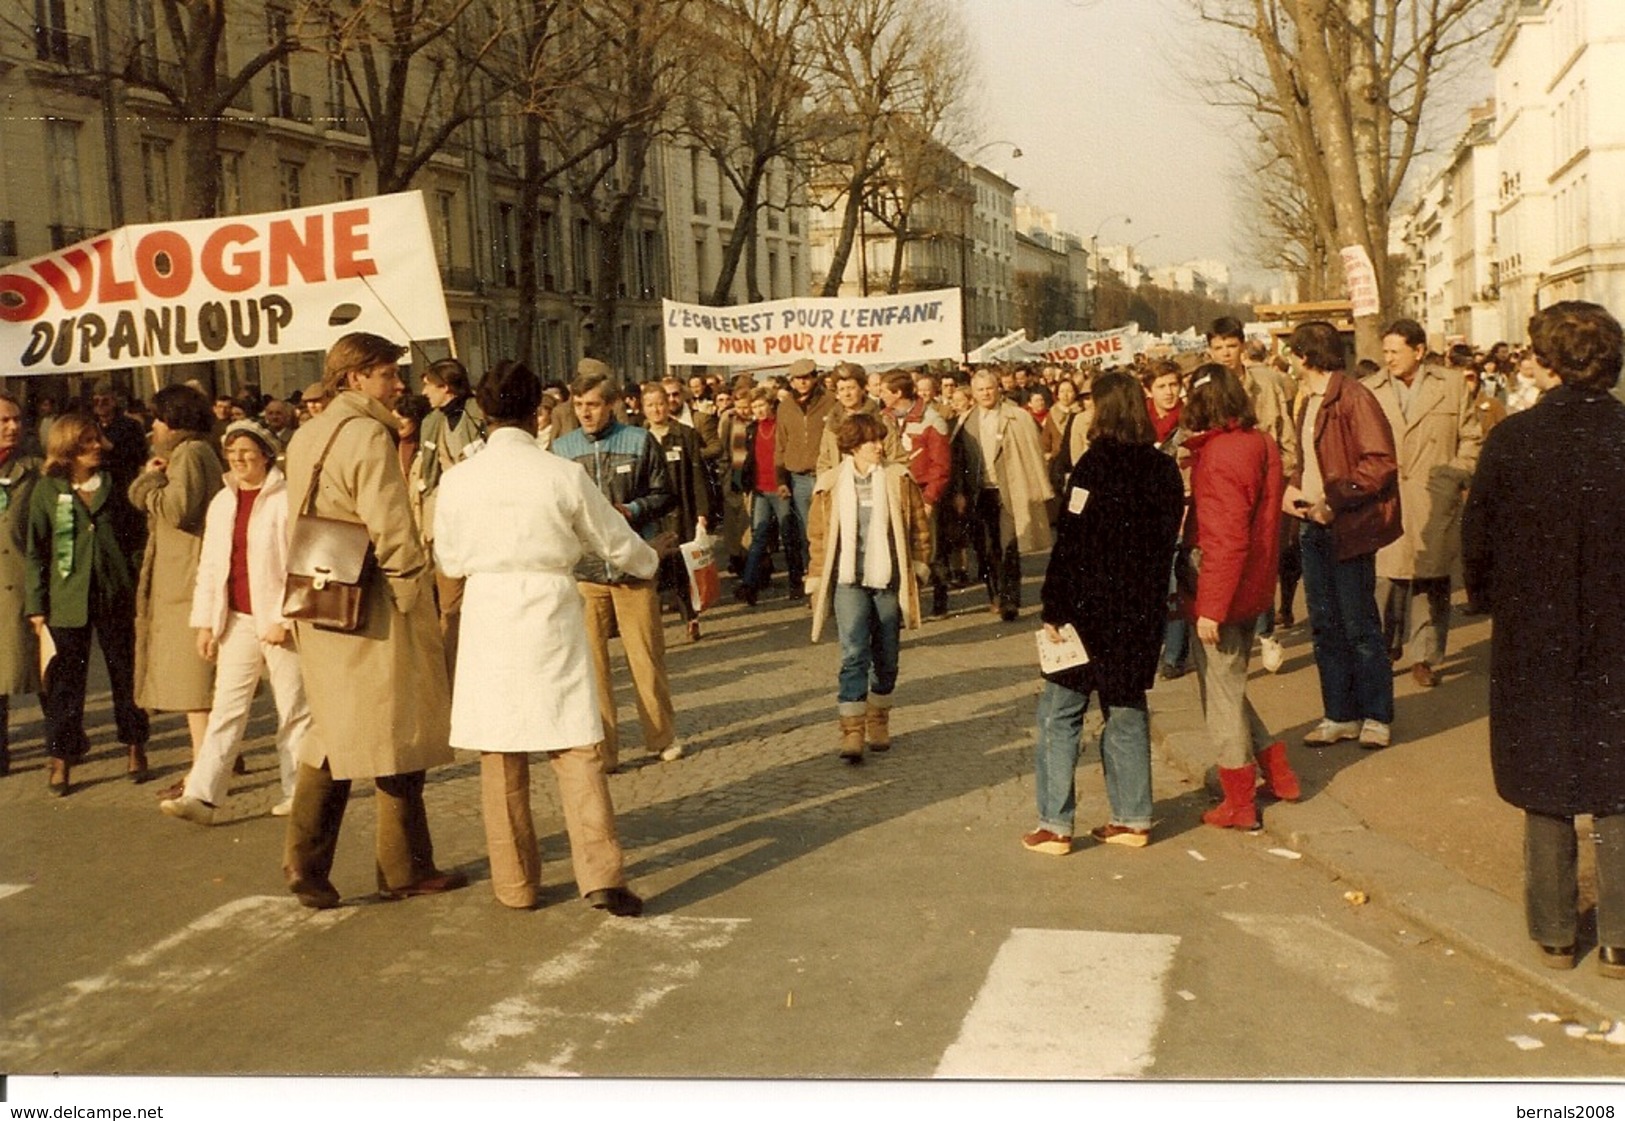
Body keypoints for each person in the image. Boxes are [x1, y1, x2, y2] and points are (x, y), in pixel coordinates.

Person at [435, 360, 654, 916]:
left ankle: (515, 885)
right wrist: (650, 562)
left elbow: (450, 558)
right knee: (576, 745)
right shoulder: (560, 474)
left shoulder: (459, 478)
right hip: (551, 608)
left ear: (483, 412)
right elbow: (613, 539)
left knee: (501, 754)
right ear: (539, 412)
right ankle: (601, 874)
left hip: (489, 611)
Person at [1463, 301, 1625, 979]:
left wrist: (1494, 601)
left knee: (1546, 775)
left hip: (1537, 633)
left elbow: (1477, 538)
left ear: (1549, 361)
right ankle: (1620, 939)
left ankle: (1555, 931)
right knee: (1619, 779)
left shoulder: (1514, 439)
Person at [281, 331, 464, 909]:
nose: (398, 384)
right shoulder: (367, 436)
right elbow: (391, 527)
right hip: (375, 601)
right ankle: (404, 866)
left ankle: (304, 862)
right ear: (355, 378)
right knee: (397, 729)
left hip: (321, 592)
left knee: (332, 730)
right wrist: (418, 599)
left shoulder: (307, 433)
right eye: (387, 373)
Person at [1024, 373, 1184, 853]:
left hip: (1087, 612)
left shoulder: (1094, 466)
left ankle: (1055, 825)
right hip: (1137, 612)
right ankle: (1133, 818)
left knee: (1060, 715)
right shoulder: (1164, 470)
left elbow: (1072, 544)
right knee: (1127, 710)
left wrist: (1054, 606)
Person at [159, 420, 309, 824]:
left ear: (265, 453)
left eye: (247, 451)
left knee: (293, 707)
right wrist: (206, 624)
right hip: (237, 619)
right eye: (231, 453)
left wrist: (282, 617)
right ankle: (202, 797)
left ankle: (299, 793)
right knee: (226, 707)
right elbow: (210, 566)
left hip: (279, 620)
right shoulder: (222, 503)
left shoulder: (285, 498)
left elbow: (301, 561)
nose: (240, 460)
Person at [1180, 365, 1301, 829]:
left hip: (1220, 584)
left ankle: (1239, 800)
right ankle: (1277, 770)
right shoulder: (1260, 443)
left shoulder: (1222, 454)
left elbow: (1225, 538)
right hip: (1252, 582)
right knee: (1229, 686)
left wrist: (1211, 606)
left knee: (1221, 696)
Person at [550, 360, 683, 771]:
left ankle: (660, 737)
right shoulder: (561, 449)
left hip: (632, 568)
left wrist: (631, 509)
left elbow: (666, 494)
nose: (585, 412)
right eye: (578, 404)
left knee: (645, 658)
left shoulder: (640, 441)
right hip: (587, 572)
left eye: (593, 404)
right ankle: (603, 749)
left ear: (611, 405)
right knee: (592, 667)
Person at [1282, 321, 1402, 750]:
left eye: (1293, 352)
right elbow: (1308, 459)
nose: (1289, 359)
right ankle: (1339, 713)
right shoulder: (1309, 402)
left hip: (1347, 526)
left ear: (1306, 357)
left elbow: (1380, 461)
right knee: (1325, 624)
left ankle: (1376, 714)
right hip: (1314, 524)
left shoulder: (1353, 398)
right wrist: (1294, 489)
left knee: (1359, 624)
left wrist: (1336, 500)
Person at [24, 414, 150, 795]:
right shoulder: (48, 490)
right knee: (64, 684)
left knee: (125, 674)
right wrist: (36, 604)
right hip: (66, 601)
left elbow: (134, 539)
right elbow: (37, 550)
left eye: (97, 439)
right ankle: (61, 757)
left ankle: (134, 745)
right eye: (86, 442)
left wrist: (135, 582)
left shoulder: (116, 482)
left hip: (114, 596)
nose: (96, 446)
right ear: (67, 448)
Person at [806, 413, 932, 764]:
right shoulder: (830, 484)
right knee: (853, 651)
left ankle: (879, 717)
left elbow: (919, 530)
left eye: (880, 439)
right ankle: (852, 730)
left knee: (887, 656)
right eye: (871, 442)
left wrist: (919, 568)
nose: (879, 447)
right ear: (852, 446)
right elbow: (817, 537)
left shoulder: (898, 478)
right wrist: (816, 577)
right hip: (849, 580)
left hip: (887, 579)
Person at [1365, 318, 1481, 689]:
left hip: (1435, 499)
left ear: (1418, 351)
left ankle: (1425, 658)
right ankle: (1383, 649)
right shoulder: (1370, 389)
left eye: (1395, 352)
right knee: (1386, 581)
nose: (1389, 359)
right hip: (1387, 499)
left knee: (1430, 584)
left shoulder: (1451, 385)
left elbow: (1472, 438)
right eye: (1385, 352)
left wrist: (1453, 475)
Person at [129, 384, 224, 796]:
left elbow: (178, 509)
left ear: (174, 420)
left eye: (158, 418)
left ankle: (201, 771)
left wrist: (149, 482)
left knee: (194, 685)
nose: (153, 426)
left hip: (186, 579)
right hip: (188, 575)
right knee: (199, 683)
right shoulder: (198, 451)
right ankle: (212, 760)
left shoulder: (188, 454)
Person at [947, 369, 1053, 621]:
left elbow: (1032, 454)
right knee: (984, 548)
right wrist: (960, 492)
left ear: (998, 389)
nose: (986, 393)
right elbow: (959, 460)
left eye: (990, 388)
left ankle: (1008, 599)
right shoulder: (966, 422)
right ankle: (994, 593)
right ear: (973, 393)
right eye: (980, 389)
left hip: (1008, 491)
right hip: (979, 493)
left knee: (1008, 546)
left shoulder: (1016, 417)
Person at [416, 358, 487, 678]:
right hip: (446, 523)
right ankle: (452, 673)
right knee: (450, 606)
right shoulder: (432, 421)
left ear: (445, 387)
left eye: (429, 385)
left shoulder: (476, 414)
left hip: (479, 522)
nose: (424, 391)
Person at [640, 381, 714, 641]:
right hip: (650, 516)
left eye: (660, 403)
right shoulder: (638, 438)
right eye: (650, 405)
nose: (656, 409)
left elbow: (698, 477)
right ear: (643, 408)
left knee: (682, 568)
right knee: (652, 571)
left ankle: (691, 618)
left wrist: (702, 513)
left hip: (680, 512)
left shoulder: (686, 435)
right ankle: (651, 626)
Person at [0, 393, 42, 777]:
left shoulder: (34, 469)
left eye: (16, 419)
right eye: (3, 421)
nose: (12, 427)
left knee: (44, 669)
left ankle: (65, 745)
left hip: (21, 584)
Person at [733, 388, 803, 605]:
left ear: (771, 405)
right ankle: (749, 584)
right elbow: (747, 459)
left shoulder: (780, 427)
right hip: (760, 489)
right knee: (759, 535)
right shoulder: (752, 429)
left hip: (779, 488)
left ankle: (795, 582)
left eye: (761, 405)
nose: (758, 410)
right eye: (754, 407)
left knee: (788, 536)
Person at [774, 358, 835, 575]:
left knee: (828, 528)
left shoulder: (830, 401)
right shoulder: (785, 407)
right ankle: (813, 576)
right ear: (791, 381)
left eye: (806, 378)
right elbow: (780, 443)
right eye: (798, 379)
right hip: (798, 477)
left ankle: (830, 576)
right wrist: (780, 479)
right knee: (806, 531)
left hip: (825, 474)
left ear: (814, 377)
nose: (802, 382)